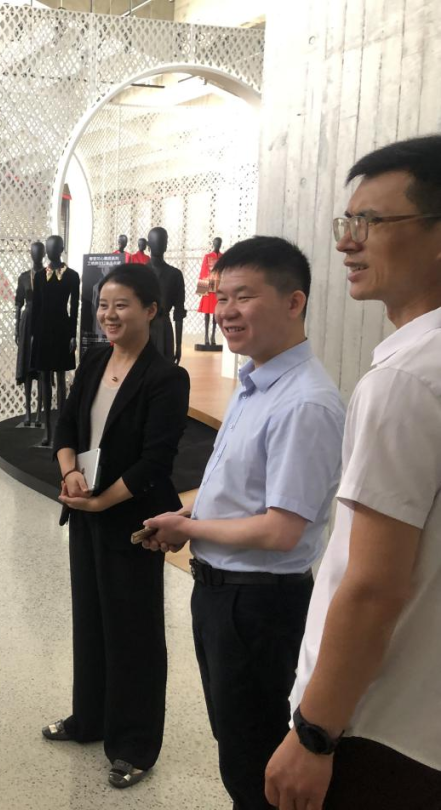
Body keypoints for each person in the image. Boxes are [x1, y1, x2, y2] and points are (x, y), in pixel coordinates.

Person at [265, 136, 441, 809]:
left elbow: (373, 586)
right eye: (348, 221)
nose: (346, 242)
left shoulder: (407, 379)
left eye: (371, 222)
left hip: (378, 729)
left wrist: (314, 734)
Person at [143, 236, 345, 810]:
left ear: (294, 302)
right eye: (222, 296)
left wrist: (190, 531)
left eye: (244, 297)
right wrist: (188, 513)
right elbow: (239, 490)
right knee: (237, 749)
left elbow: (281, 530)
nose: (227, 311)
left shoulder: (304, 403)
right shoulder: (257, 382)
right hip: (222, 597)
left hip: (259, 607)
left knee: (256, 762)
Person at [42, 264, 190, 789]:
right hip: (85, 510)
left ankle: (134, 745)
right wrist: (70, 473)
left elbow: (156, 461)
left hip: (134, 520)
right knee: (91, 619)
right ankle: (90, 719)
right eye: (103, 305)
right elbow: (66, 424)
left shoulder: (166, 378)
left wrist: (102, 501)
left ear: (151, 310)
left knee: (134, 631)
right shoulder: (93, 361)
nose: (109, 314)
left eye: (121, 305)